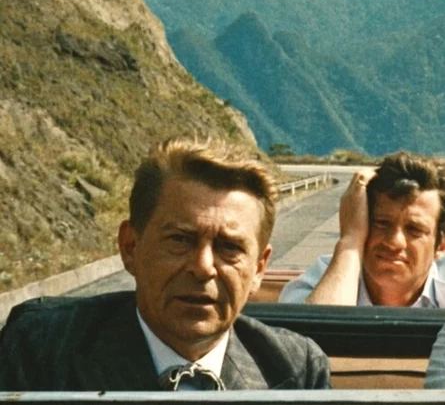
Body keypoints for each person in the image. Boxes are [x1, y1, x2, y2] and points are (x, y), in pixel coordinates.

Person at [0, 136, 330, 391]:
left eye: (229, 248)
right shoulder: (43, 349)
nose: (203, 267)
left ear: (258, 268)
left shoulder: (293, 371)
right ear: (130, 247)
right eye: (180, 240)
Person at [279, 151, 445, 307]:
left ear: (441, 245)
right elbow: (314, 327)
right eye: (381, 223)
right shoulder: (319, 281)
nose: (394, 242)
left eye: (414, 230)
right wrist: (350, 242)